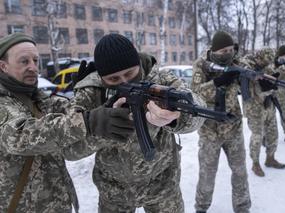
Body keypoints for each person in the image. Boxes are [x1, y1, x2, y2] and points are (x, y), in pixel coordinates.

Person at [0, 33, 134, 212]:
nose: (33, 67)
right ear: (3, 66)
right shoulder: (4, 103)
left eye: (35, 60)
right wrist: (88, 121)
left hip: (57, 204)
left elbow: (72, 112)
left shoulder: (38, 99)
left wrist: (90, 93)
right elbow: (20, 136)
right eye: (24, 61)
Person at [72, 34, 205, 213]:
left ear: (138, 64)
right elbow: (70, 149)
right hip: (114, 194)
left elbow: (197, 108)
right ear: (102, 78)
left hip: (163, 187)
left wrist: (176, 118)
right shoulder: (91, 91)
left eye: (130, 73)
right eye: (114, 79)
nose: (125, 82)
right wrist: (99, 127)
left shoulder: (159, 79)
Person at [191, 31, 251, 213]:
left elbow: (250, 78)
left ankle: (242, 207)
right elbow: (194, 93)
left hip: (233, 127)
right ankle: (201, 207)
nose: (228, 54)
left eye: (231, 50)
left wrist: (260, 82)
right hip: (210, 131)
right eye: (224, 50)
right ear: (215, 51)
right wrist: (217, 83)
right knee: (207, 175)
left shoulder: (237, 63)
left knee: (240, 171)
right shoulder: (201, 65)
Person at [239, 47, 285, 177]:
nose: (266, 64)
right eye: (265, 61)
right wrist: (262, 87)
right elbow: (246, 92)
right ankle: (255, 164)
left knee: (273, 132)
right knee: (257, 137)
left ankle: (270, 158)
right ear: (259, 57)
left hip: (268, 104)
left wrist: (273, 80)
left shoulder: (265, 64)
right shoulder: (246, 66)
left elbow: (272, 75)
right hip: (254, 108)